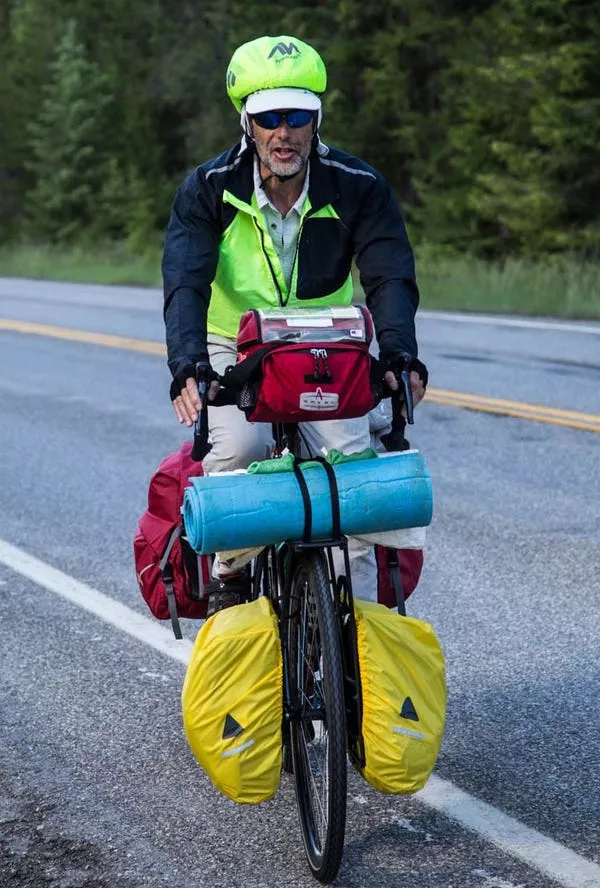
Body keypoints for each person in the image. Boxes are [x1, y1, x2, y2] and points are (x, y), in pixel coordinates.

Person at [162, 34, 427, 605]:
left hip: (326, 345)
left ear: (316, 119)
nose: (284, 133)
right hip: (233, 342)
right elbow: (186, 280)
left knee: (352, 474)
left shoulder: (357, 186)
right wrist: (187, 364)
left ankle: (349, 629)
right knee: (239, 450)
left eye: (298, 117)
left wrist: (401, 355)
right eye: (269, 118)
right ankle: (230, 575)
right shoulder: (208, 188)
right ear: (247, 123)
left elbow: (389, 274)